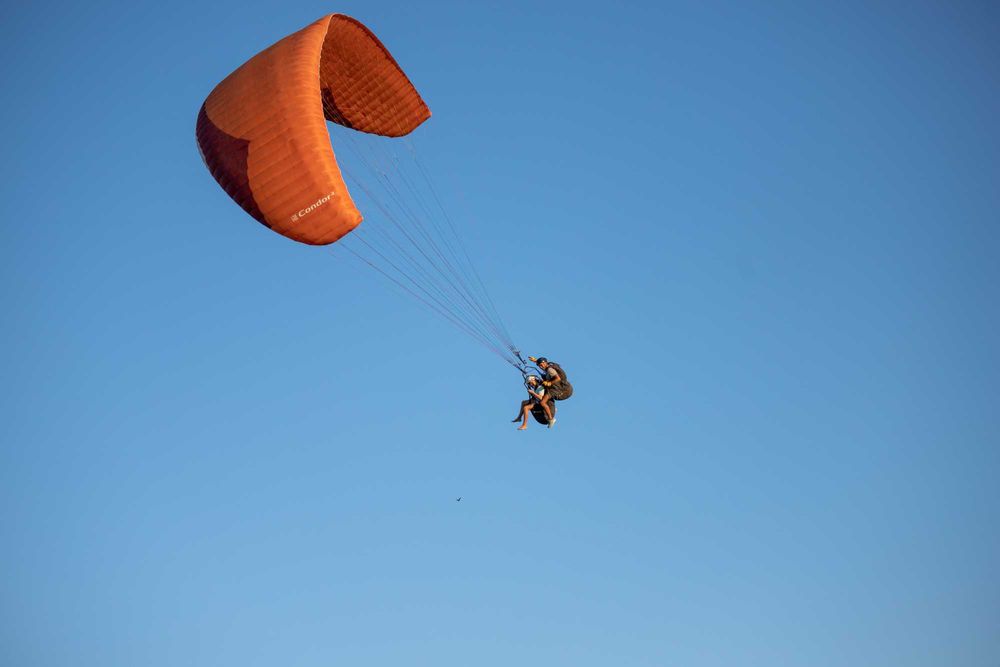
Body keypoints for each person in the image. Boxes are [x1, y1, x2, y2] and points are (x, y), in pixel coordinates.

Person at [528, 356, 572, 427]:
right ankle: (552, 408)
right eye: (539, 366)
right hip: (563, 388)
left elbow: (558, 378)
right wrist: (536, 361)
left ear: (545, 363)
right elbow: (544, 365)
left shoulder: (550, 370)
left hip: (561, 390)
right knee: (543, 380)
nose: (541, 367)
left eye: (541, 365)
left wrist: (550, 383)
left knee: (542, 402)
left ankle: (551, 419)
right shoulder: (549, 365)